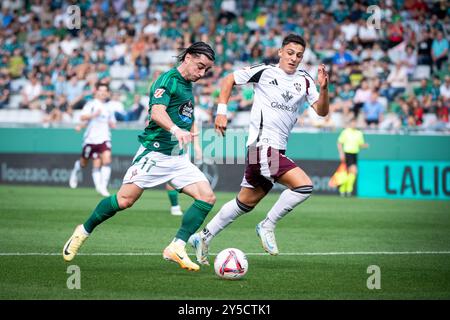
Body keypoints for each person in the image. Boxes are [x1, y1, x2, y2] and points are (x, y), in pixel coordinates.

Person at [62, 42, 216, 272]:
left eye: (206, 70)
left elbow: (186, 114)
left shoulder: (187, 85)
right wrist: (175, 130)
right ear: (189, 58)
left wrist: (193, 140)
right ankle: (82, 231)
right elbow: (157, 112)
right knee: (125, 200)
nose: (202, 74)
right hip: (154, 153)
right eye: (201, 67)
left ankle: (177, 246)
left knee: (207, 197)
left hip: (177, 157)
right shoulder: (167, 80)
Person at [189, 34, 329, 265]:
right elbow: (228, 79)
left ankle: (203, 237)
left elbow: (322, 112)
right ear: (281, 52)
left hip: (274, 151)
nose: (294, 58)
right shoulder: (264, 72)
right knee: (304, 186)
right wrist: (221, 111)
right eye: (291, 53)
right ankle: (267, 224)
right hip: (261, 147)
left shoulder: (304, 81)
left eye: (299, 56)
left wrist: (323, 89)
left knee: (245, 202)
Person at [69, 82, 116, 197]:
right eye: (101, 90)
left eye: (105, 91)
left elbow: (112, 122)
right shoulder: (91, 104)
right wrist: (93, 115)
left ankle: (103, 187)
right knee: (84, 163)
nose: (103, 93)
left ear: (108, 93)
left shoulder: (109, 107)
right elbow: (82, 117)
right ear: (97, 92)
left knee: (107, 160)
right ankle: (76, 170)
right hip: (90, 139)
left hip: (104, 138)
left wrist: (112, 123)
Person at [337, 117, 369, 197]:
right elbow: (339, 143)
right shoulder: (345, 132)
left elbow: (360, 144)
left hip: (355, 154)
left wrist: (365, 145)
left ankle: (343, 190)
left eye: (355, 123)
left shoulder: (359, 133)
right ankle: (348, 190)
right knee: (353, 171)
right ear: (350, 124)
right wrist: (341, 153)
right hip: (347, 153)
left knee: (350, 173)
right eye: (352, 123)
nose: (354, 124)